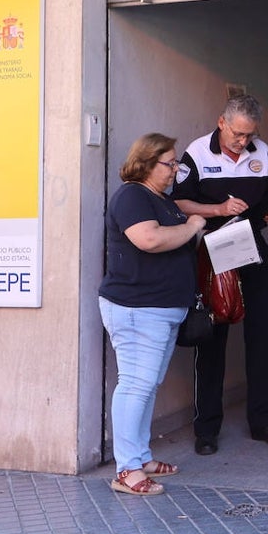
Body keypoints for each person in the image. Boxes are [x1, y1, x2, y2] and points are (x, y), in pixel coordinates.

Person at [173, 94, 268, 455]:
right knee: (212, 340)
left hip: (252, 248)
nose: (243, 142)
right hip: (214, 251)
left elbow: (266, 196)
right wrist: (218, 208)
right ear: (222, 122)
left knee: (263, 337)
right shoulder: (197, 152)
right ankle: (206, 429)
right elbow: (179, 202)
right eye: (238, 134)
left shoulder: (261, 150)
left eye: (249, 135)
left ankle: (264, 421)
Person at [99, 132, 205, 496]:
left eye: (176, 162)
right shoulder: (132, 195)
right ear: (146, 163)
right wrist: (191, 226)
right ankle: (126, 470)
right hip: (136, 308)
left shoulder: (161, 198)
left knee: (146, 385)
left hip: (160, 308)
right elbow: (149, 240)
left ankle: (140, 456)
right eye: (169, 163)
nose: (176, 169)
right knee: (135, 384)